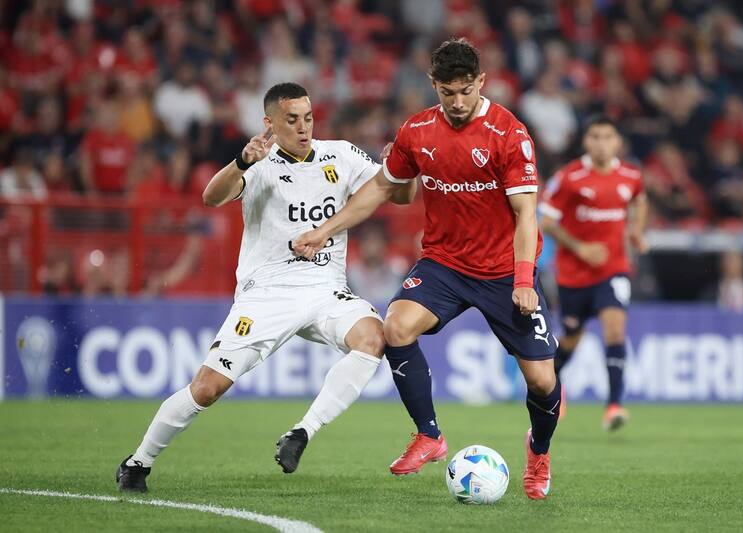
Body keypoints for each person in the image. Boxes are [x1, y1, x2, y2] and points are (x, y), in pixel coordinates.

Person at [294, 39, 560, 500]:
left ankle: (538, 449)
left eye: (465, 91)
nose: (457, 103)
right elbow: (381, 188)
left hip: (502, 269)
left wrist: (522, 280)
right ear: (433, 85)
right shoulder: (417, 132)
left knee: (541, 380)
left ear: (481, 82)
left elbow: (526, 215)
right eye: (447, 93)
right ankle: (430, 435)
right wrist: (325, 230)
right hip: (444, 263)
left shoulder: (509, 134)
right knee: (395, 326)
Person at [116, 82, 395, 492]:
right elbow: (211, 198)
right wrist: (241, 163)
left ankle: (301, 432)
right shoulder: (259, 163)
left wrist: (396, 168)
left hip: (325, 288)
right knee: (207, 389)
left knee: (373, 338)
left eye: (308, 117)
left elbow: (396, 193)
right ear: (269, 123)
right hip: (267, 293)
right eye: (291, 120)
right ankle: (139, 461)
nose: (303, 127)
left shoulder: (342, 153)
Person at [538, 115, 648, 431]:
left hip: (613, 270)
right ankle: (554, 383)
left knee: (615, 330)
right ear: (587, 141)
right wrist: (580, 248)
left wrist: (636, 232)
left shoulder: (630, 175)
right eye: (596, 136)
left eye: (608, 136)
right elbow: (546, 222)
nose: (602, 142)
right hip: (574, 274)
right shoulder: (570, 177)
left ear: (617, 142)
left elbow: (640, 200)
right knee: (571, 338)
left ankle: (614, 405)